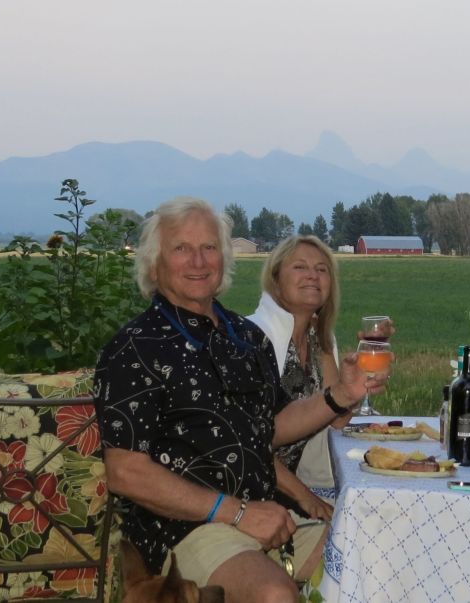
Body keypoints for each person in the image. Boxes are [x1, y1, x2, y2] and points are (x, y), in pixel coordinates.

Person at [94, 196, 385, 602]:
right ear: (155, 263)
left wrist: (341, 395)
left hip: (270, 517)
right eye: (182, 248)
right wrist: (237, 513)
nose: (198, 261)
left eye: (209, 248)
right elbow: (127, 473)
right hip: (186, 529)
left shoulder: (245, 338)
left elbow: (275, 428)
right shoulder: (135, 348)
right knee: (273, 595)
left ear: (224, 258)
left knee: (378, 554)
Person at [247, 235, 347, 515]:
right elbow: (250, 441)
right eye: (300, 267)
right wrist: (305, 498)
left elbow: (337, 418)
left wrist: (359, 380)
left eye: (322, 269)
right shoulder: (254, 339)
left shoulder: (319, 339)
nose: (313, 276)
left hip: (294, 480)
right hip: (254, 487)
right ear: (276, 279)